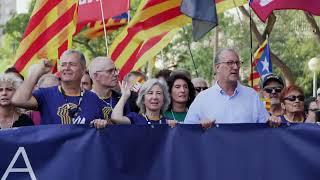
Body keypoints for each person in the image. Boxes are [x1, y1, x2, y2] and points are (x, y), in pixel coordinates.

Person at [11, 50, 108, 128]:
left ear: (83, 70)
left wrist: (101, 123)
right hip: (54, 152)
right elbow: (18, 100)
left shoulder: (93, 98)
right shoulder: (46, 94)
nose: (67, 68)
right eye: (63, 64)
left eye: (72, 64)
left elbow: (113, 122)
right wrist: (36, 73)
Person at [185, 48, 269, 125]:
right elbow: (188, 131)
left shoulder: (252, 96)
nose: (236, 67)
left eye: (237, 63)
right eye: (230, 63)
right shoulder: (202, 98)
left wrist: (273, 122)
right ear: (217, 67)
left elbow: (265, 128)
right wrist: (199, 125)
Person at [88, 56, 130, 121]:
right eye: (110, 71)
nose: (116, 74)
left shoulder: (121, 98)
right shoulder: (84, 100)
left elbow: (129, 128)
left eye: (115, 70)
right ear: (95, 76)